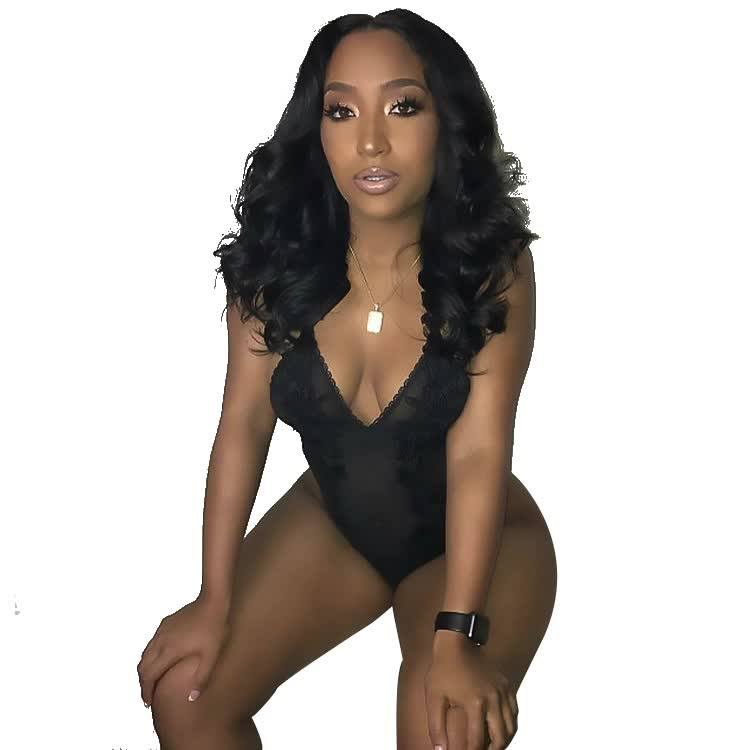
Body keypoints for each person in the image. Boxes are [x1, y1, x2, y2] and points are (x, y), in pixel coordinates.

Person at [137, 9, 557, 750]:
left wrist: (457, 636)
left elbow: (478, 453)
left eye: (403, 106)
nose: (370, 141)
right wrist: (213, 597)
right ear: (317, 128)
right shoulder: (276, 261)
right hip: (335, 519)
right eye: (341, 111)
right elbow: (243, 425)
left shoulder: (492, 268)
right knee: (187, 691)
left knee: (443, 728)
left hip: (475, 539)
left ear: (446, 121)